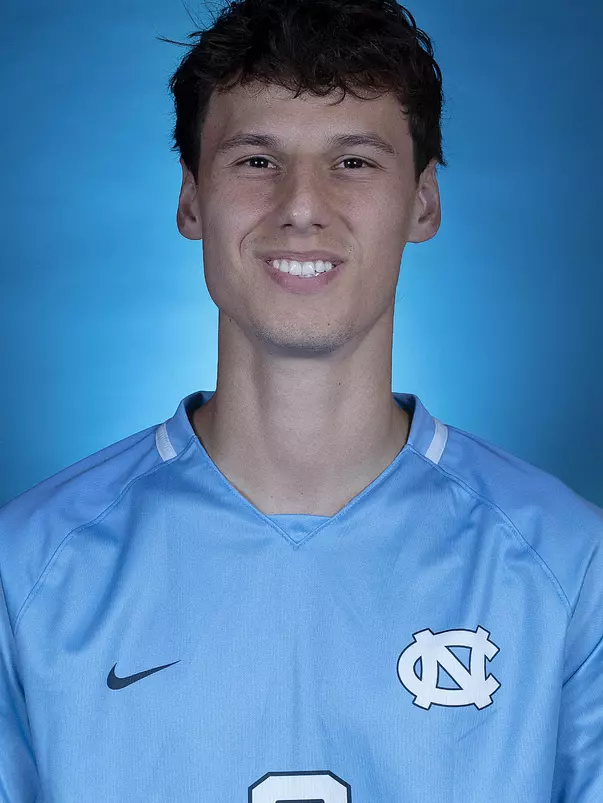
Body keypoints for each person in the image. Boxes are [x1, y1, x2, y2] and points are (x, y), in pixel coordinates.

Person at [1, 0, 602, 799]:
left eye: (353, 161)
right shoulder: (28, 571)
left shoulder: (569, 567)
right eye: (256, 160)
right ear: (190, 200)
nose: (301, 205)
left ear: (422, 202)